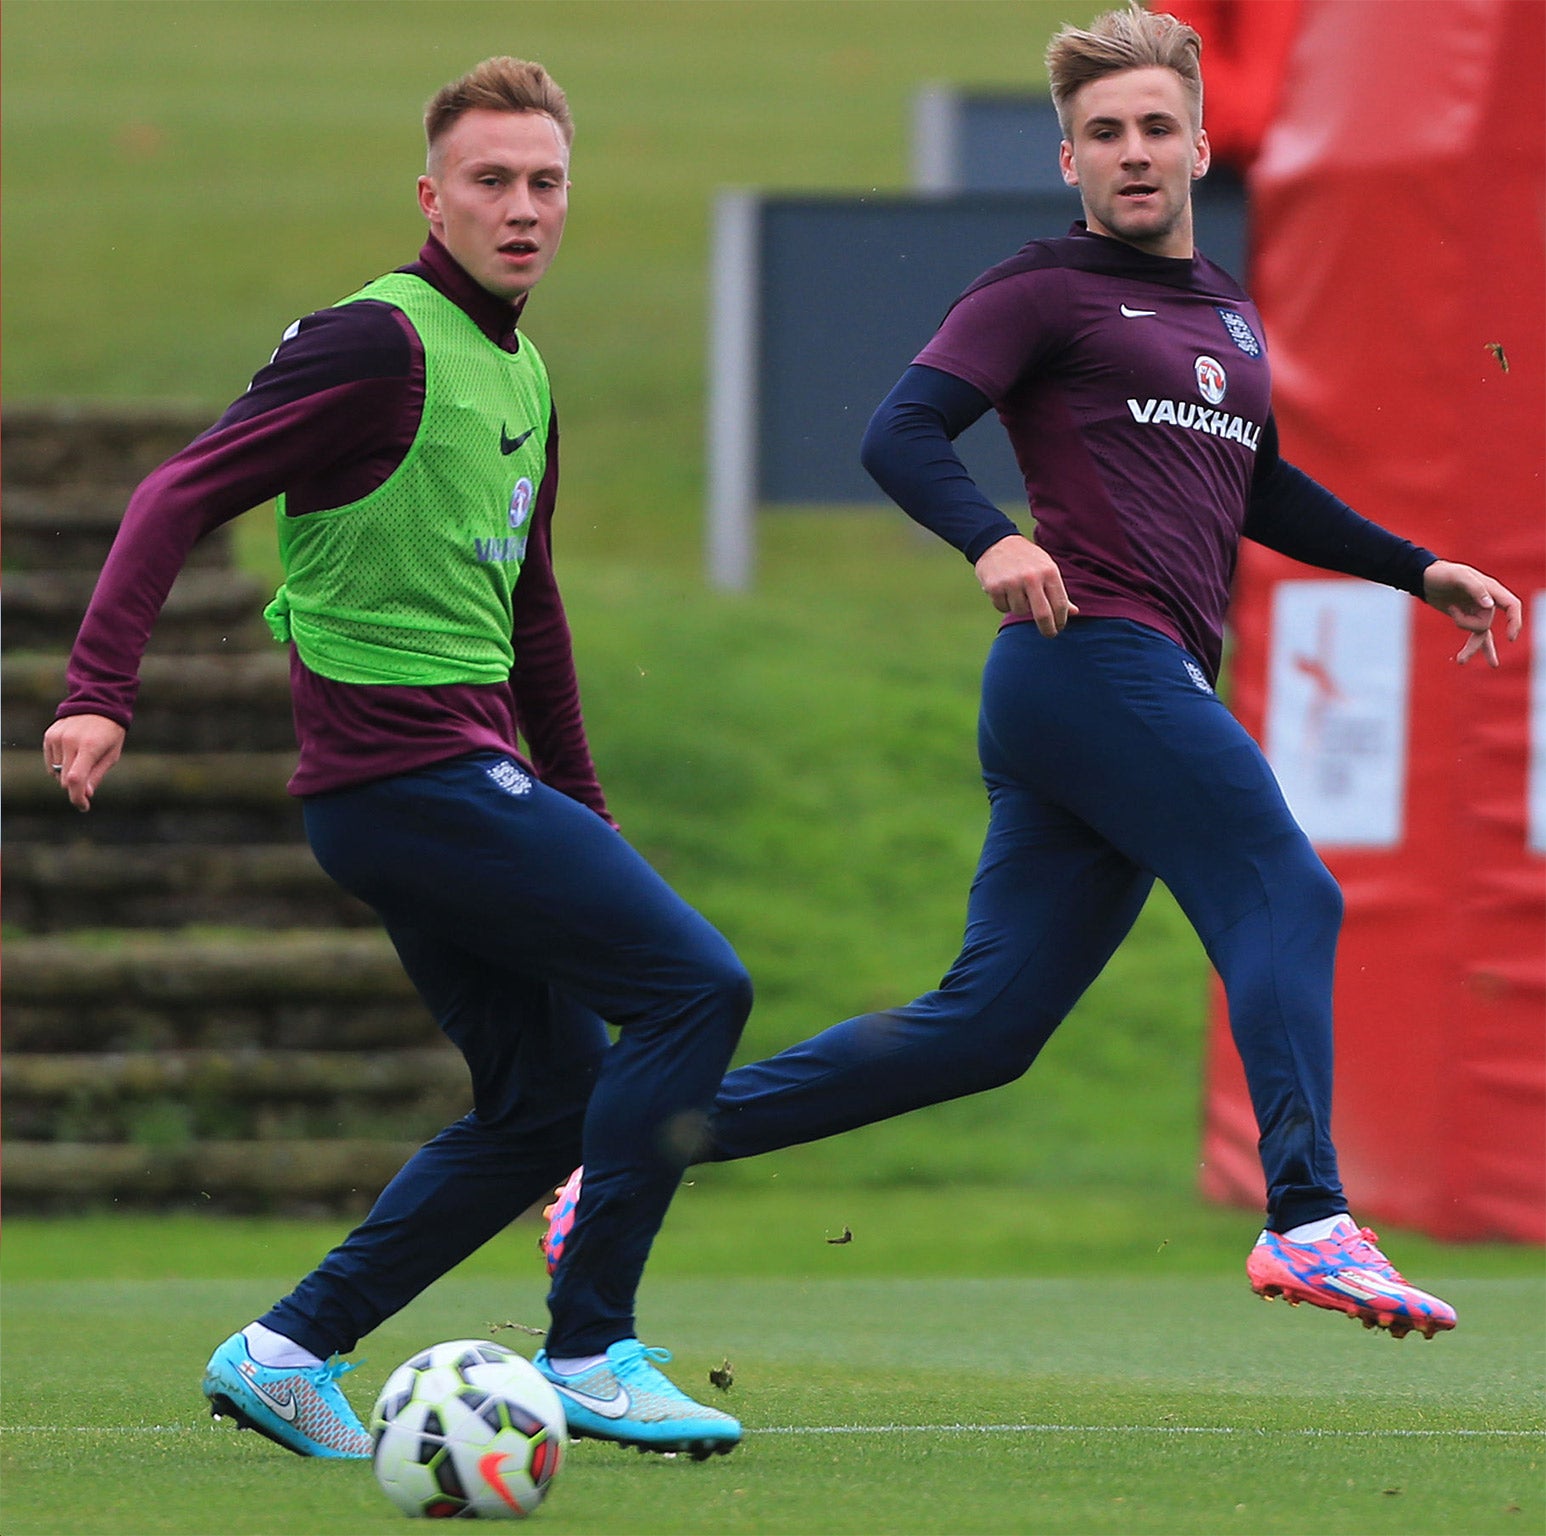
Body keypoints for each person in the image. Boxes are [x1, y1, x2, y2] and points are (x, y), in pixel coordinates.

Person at [546, 9, 1523, 1342]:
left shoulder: (1227, 312)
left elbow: (1258, 486)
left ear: (1193, 144)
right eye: (1101, 134)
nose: (1131, 152)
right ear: (1066, 160)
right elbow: (902, 433)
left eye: (1153, 128)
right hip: (1089, 663)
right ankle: (1309, 1219)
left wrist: (1417, 569)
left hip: (1106, 692)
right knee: (1283, 889)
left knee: (982, 1031)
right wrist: (990, 537)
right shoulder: (1040, 290)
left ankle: (627, 1153)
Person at [44, 57, 749, 1459]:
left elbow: (527, 605)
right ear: (433, 197)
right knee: (695, 989)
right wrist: (98, 688)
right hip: (403, 780)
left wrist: (582, 807)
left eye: (546, 182)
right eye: (491, 181)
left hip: (454, 785)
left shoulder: (523, 367)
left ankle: (285, 1348)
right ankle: (593, 1348)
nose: (523, 206)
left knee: (544, 1096)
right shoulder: (378, 342)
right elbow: (175, 490)